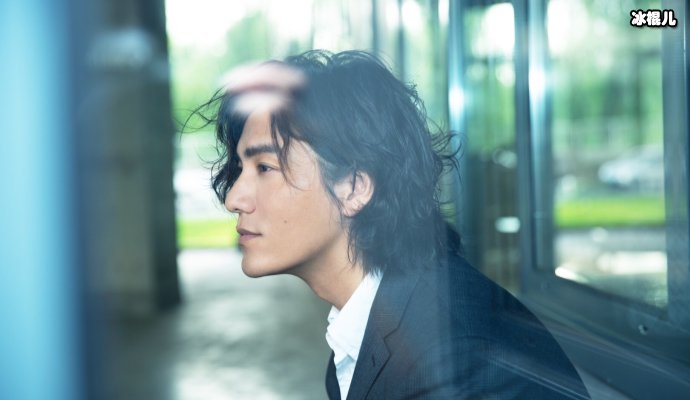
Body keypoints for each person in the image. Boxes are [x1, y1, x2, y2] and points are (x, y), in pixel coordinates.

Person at [197, 50, 590, 399]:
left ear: (354, 188)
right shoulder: (373, 324)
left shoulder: (448, 360)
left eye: (265, 167)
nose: (234, 198)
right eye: (241, 168)